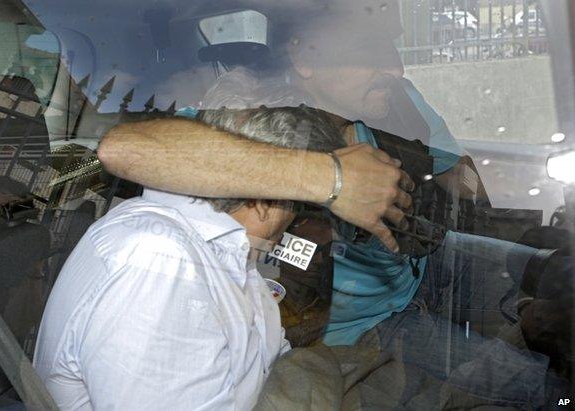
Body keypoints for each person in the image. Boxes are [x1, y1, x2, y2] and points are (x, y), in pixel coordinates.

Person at [96, 0, 568, 406]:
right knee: (540, 387)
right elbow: (127, 149)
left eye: (395, 50)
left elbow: (461, 176)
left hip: (425, 258)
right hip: (363, 324)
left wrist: (495, 186)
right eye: (370, 52)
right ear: (306, 59)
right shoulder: (258, 118)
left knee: (560, 276)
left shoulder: (397, 100)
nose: (396, 68)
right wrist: (331, 178)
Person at [33, 105, 345, 410]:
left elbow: (273, 359)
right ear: (267, 201)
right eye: (301, 208)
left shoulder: (226, 251)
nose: (298, 223)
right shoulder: (160, 260)